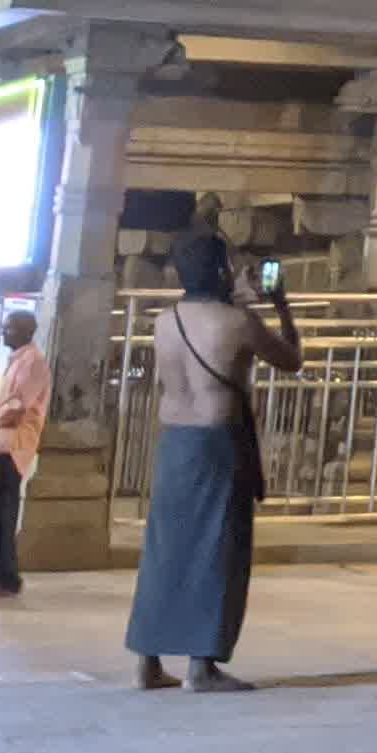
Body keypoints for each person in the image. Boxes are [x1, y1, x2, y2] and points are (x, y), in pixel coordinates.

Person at [127, 230, 299, 691]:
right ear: (222, 269)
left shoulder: (165, 321)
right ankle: (202, 667)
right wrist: (280, 305)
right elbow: (291, 359)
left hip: (174, 442)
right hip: (218, 443)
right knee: (217, 552)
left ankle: (147, 661)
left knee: (165, 552)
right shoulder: (238, 322)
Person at [0, 307, 47, 599]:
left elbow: (18, 406)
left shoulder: (33, 362)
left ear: (27, 332)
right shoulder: (17, 361)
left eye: (9, 327)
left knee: (3, 516)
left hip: (14, 446)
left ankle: (7, 579)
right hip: (1, 444)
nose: (4, 332)